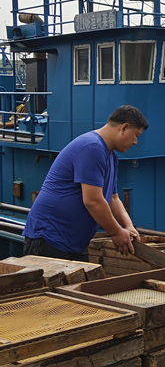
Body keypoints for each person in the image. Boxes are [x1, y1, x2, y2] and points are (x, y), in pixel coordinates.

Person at [23, 105, 149, 262]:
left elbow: (113, 198)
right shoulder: (93, 147)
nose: (136, 142)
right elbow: (92, 200)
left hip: (73, 243)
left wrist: (129, 226)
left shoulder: (111, 155)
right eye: (136, 135)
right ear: (124, 128)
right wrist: (116, 232)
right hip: (49, 238)